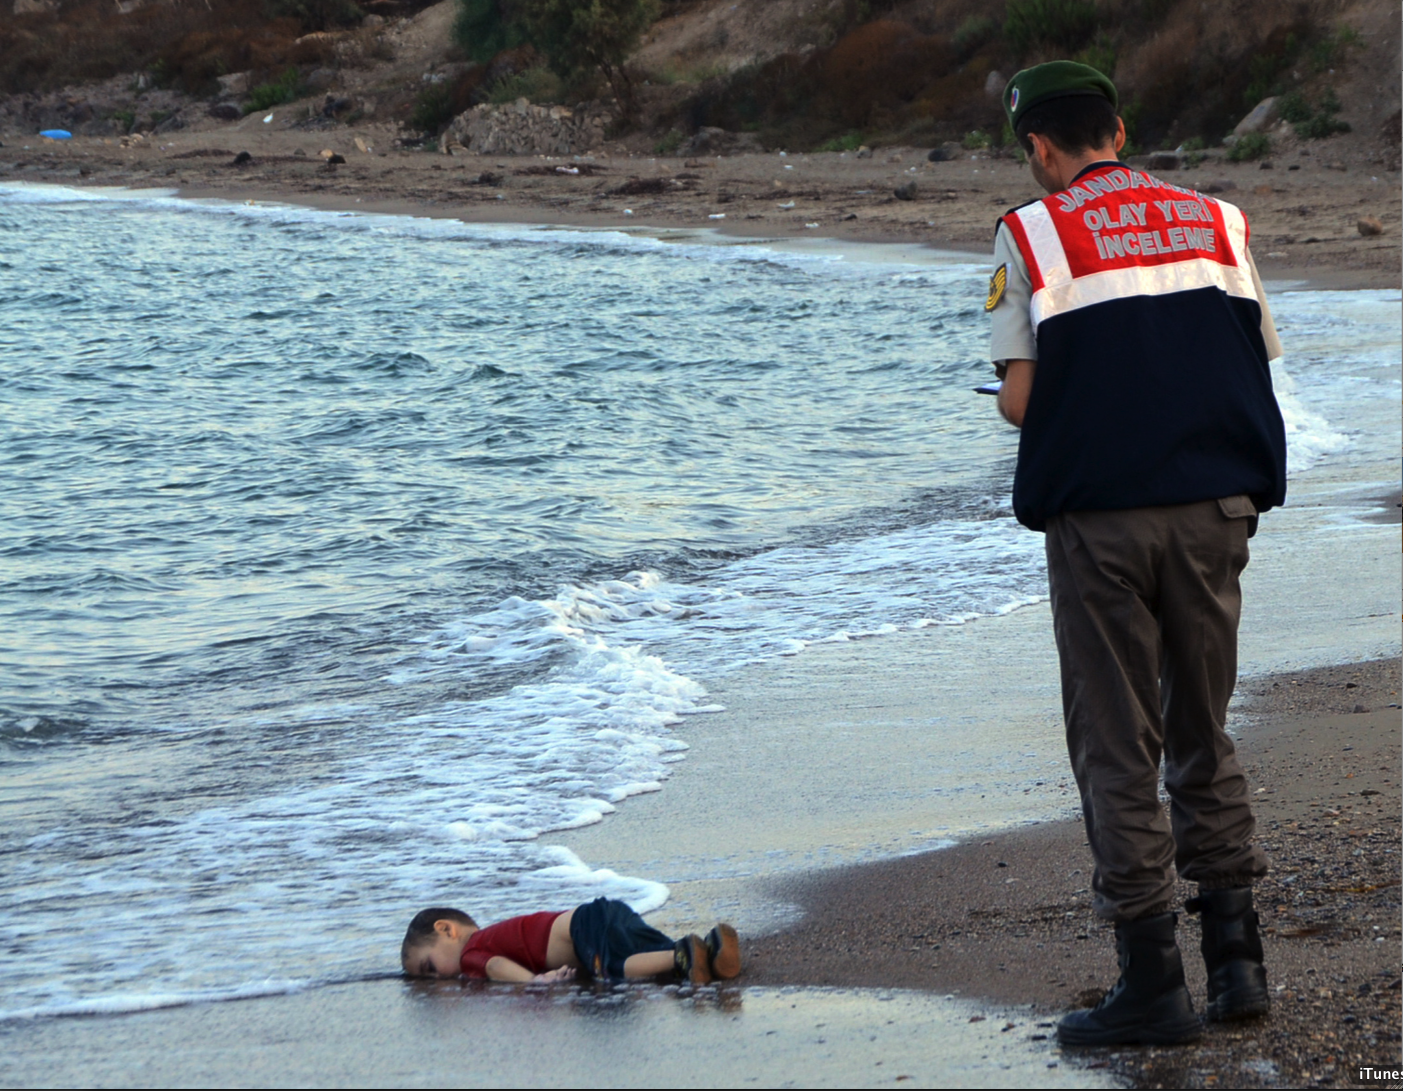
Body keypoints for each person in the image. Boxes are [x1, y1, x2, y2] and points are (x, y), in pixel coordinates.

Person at [985, 61, 1287, 1046]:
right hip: (1214, 507)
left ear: (1037, 146)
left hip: (1103, 521)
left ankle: (1151, 983)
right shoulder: (1218, 220)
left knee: (1116, 743)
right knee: (1202, 726)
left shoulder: (1029, 230)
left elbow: (1023, 401)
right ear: (1116, 128)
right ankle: (1238, 966)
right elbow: (1253, 354)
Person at [401, 896, 741, 985]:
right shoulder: (494, 935)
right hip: (604, 912)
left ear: (447, 930)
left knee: (615, 969)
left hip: (584, 926)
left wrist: (534, 981)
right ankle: (709, 949)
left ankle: (682, 955)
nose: (436, 978)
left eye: (428, 967)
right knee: (650, 953)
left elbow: (494, 966)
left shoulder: (472, 952)